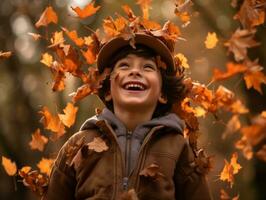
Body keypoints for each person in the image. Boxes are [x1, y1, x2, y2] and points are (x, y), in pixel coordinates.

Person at [43, 32, 212, 200]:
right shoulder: (79, 145)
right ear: (108, 90)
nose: (135, 72)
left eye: (148, 67)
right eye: (124, 66)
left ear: (163, 94)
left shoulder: (178, 147)